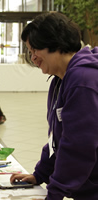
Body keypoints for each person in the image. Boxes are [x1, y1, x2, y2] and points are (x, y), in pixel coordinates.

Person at [10, 12, 98, 200]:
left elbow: (78, 147)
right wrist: (40, 174)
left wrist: (55, 194)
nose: (32, 58)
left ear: (55, 44)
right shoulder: (60, 80)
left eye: (34, 50)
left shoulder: (82, 81)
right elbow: (58, 139)